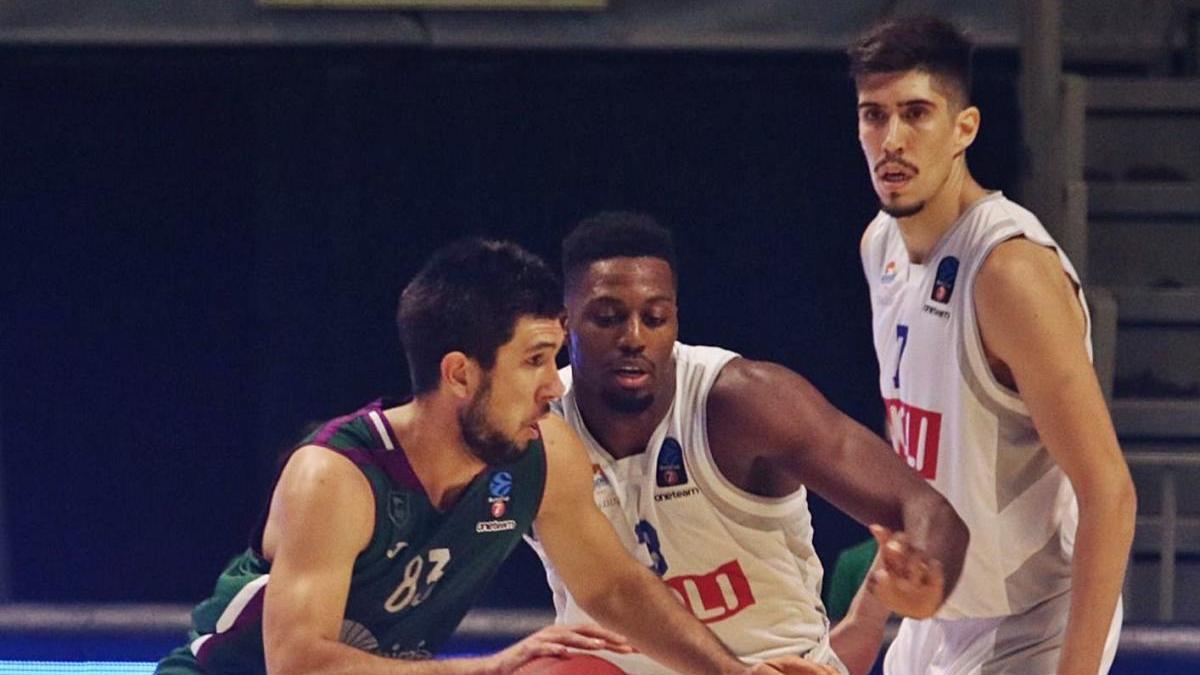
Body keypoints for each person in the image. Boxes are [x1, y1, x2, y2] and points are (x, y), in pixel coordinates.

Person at [156, 238, 803, 675]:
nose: (554, 384)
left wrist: (735, 673)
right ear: (460, 374)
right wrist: (487, 666)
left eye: (554, 357)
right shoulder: (336, 474)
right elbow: (298, 659)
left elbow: (613, 586)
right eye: (532, 361)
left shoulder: (540, 450)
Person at [526, 212, 970, 675]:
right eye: (608, 318)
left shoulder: (743, 403)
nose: (634, 337)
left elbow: (925, 506)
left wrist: (928, 582)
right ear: (563, 323)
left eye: (654, 317)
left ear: (675, 317)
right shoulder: (531, 426)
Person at [850, 17, 1136, 675]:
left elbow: (1111, 493)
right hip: (940, 614)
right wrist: (868, 614)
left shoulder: (1007, 272)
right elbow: (915, 460)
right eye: (874, 115)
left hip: (1034, 619)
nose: (891, 139)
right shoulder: (880, 246)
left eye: (916, 113)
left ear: (964, 128)